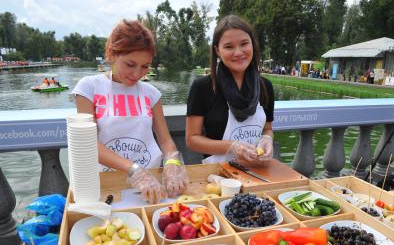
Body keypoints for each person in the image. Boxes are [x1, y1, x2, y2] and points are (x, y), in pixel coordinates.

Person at [72, 19, 188, 204]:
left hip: (151, 185)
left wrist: (173, 164)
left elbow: (166, 142)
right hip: (108, 185)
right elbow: (88, 144)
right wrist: (134, 169)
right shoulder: (88, 87)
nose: (137, 74)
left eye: (145, 66)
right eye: (130, 64)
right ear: (113, 54)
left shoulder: (152, 94)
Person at [186, 15, 275, 165]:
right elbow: (191, 139)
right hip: (219, 175)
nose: (238, 52)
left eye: (244, 44)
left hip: (257, 170)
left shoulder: (265, 86)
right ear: (218, 51)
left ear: (252, 44)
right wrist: (231, 146)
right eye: (229, 47)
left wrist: (267, 139)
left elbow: (267, 128)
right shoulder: (202, 88)